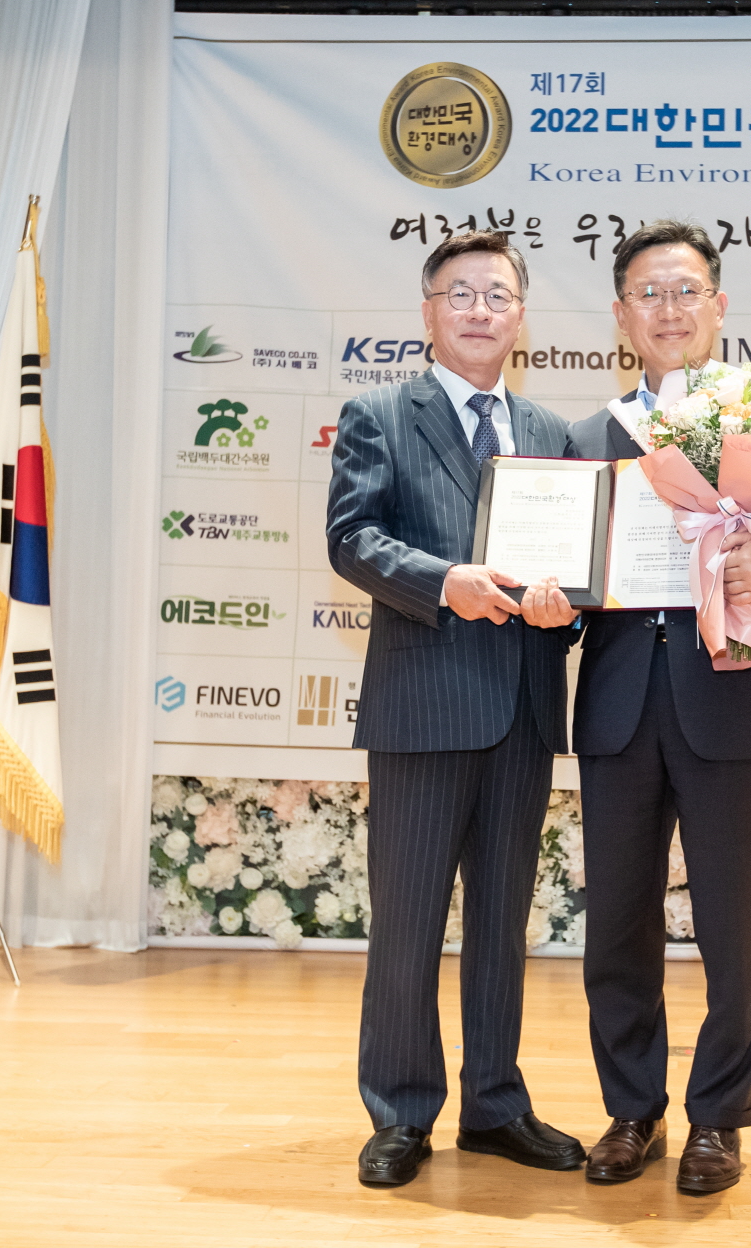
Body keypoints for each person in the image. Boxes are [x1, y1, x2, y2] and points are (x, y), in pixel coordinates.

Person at [562, 220, 751, 1195]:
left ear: (718, 306)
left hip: (731, 701)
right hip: (616, 709)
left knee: (734, 926)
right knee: (616, 925)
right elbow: (570, 576)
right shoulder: (590, 437)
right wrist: (549, 596)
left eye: (685, 290)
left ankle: (719, 1118)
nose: (668, 308)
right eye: (648, 293)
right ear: (620, 315)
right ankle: (630, 1109)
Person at [326, 230, 584, 1187]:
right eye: (461, 293)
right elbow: (352, 538)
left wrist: (566, 610)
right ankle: (400, 1110)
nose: (480, 309)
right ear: (428, 311)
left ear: (521, 315)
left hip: (522, 707)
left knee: (502, 922)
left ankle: (495, 1105)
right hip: (422, 706)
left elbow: (574, 574)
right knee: (407, 920)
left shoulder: (552, 430)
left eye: (498, 295)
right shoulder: (379, 414)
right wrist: (445, 581)